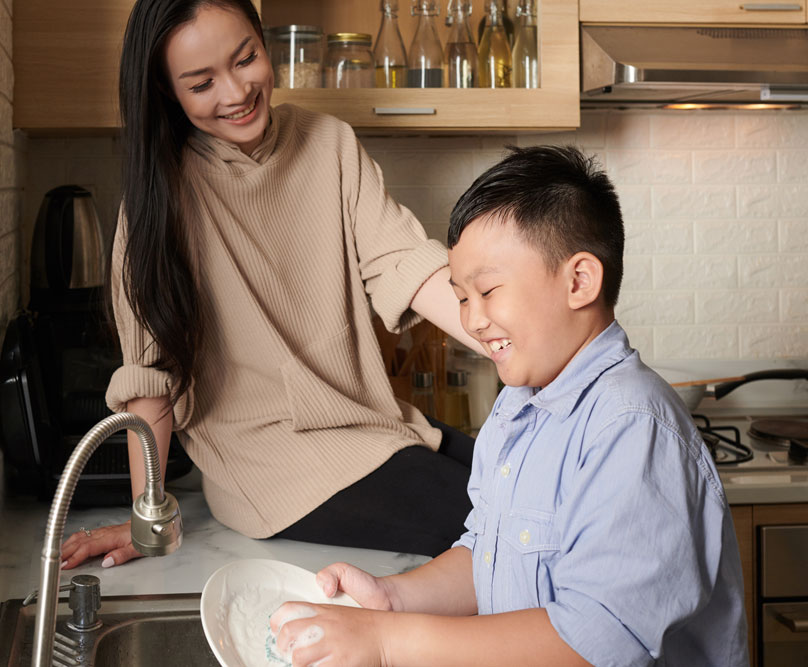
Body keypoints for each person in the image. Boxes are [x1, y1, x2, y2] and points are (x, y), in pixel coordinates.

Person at [270, 146, 749, 666]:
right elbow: (488, 557)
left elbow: (597, 641)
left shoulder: (630, 427)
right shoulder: (515, 409)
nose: (472, 321)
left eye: (488, 291)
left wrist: (388, 644)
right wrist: (392, 600)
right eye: (460, 297)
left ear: (580, 281)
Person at [60, 0, 484, 570]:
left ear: (265, 43)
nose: (235, 92)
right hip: (277, 470)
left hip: (375, 428)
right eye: (202, 82)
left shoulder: (328, 143)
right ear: (168, 93)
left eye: (245, 59)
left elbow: (407, 264)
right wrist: (148, 517)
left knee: (547, 480)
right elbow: (149, 379)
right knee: (516, 522)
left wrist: (518, 341)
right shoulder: (159, 201)